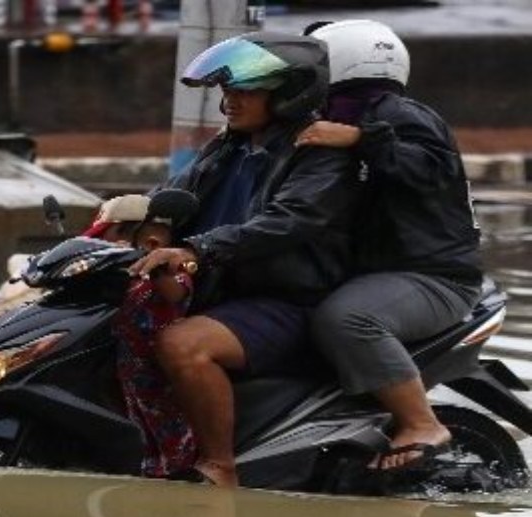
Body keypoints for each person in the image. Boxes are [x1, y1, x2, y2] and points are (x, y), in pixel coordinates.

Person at [127, 32, 363, 487]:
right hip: (225, 289)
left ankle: (219, 464)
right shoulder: (227, 147)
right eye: (227, 91)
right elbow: (177, 193)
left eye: (245, 91)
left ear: (289, 93)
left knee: (182, 344)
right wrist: (142, 222)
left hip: (287, 299)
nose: (230, 103)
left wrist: (198, 249)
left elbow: (288, 222)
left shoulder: (319, 155)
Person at [298, 20, 483, 471]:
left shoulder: (398, 115)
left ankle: (421, 423)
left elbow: (429, 170)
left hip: (433, 276)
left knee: (348, 319)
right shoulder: (328, 118)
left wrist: (363, 140)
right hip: (377, 272)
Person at [93, 194, 197, 478]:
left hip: (159, 368)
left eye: (111, 239)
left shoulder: (175, 268)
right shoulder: (125, 275)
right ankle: (150, 476)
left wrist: (159, 268)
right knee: (140, 425)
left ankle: (179, 477)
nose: (106, 246)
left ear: (149, 242)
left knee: (169, 427)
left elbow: (176, 292)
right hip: (129, 366)